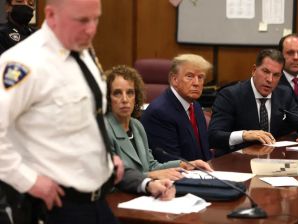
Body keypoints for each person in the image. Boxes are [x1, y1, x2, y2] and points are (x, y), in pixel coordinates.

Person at [0, 0, 174, 223]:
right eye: (82, 20)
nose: (91, 28)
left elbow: (84, 118)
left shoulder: (83, 53)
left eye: (96, 19)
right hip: (55, 205)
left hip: (99, 199)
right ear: (51, 15)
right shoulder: (23, 62)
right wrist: (28, 181)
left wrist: (107, 158)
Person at [105, 65, 213, 181]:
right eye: (117, 93)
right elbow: (112, 177)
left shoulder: (136, 126)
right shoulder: (104, 129)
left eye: (130, 93)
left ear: (136, 97)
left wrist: (186, 164)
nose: (125, 99)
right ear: (107, 98)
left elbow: (151, 166)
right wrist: (149, 176)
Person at [208, 49, 298, 154]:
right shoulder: (230, 95)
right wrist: (245, 134)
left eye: (276, 75)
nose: (270, 80)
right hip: (236, 162)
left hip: (272, 160)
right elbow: (214, 136)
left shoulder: (284, 94)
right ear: (254, 70)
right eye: (265, 72)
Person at [141, 54, 213, 163]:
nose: (196, 83)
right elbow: (170, 162)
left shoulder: (196, 106)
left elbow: (204, 154)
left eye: (200, 77)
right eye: (190, 76)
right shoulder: (160, 113)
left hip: (203, 174)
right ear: (174, 79)